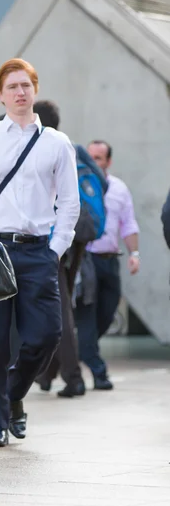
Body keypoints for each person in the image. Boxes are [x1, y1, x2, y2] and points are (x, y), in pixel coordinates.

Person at [0, 59, 80, 447]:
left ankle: (12, 395)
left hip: (37, 253)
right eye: (12, 86)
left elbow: (70, 203)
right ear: (0, 96)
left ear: (34, 89)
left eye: (26, 85)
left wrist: (55, 250)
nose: (19, 92)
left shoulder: (56, 143)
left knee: (46, 335)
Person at [33, 100, 108, 397]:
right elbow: (103, 182)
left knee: (59, 306)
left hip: (52, 236)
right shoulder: (73, 147)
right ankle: (47, 374)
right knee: (59, 302)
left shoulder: (41, 146)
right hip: (78, 235)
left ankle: (72, 377)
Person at [75, 140, 140, 390]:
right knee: (87, 318)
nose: (94, 161)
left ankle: (77, 353)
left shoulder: (119, 189)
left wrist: (134, 252)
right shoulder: (79, 183)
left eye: (99, 158)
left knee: (107, 314)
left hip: (111, 261)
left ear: (108, 162)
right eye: (90, 156)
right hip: (86, 261)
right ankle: (98, 371)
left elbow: (129, 223)